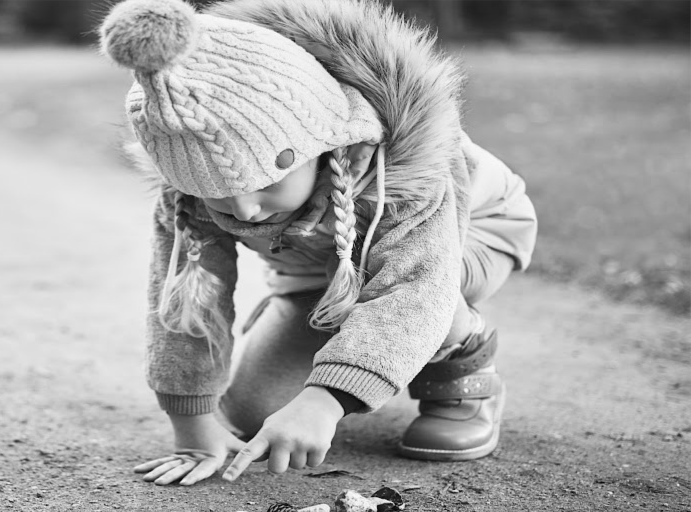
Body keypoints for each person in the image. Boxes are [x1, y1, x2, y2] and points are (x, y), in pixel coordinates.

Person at [99, 0, 537, 486]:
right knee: (252, 414)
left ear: (319, 144)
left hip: (469, 238)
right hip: (322, 266)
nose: (244, 211)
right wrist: (193, 424)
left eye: (267, 182)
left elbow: (416, 287)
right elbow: (184, 299)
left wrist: (325, 400)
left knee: (405, 294)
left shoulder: (403, 166)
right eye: (219, 195)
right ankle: (340, 328)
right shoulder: (190, 192)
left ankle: (462, 363)